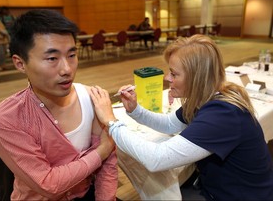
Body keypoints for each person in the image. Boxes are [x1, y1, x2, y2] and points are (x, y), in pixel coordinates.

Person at [89, 34, 273, 200]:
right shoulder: (207, 97)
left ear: (196, 78)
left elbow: (157, 159)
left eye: (174, 73)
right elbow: (170, 124)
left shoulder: (223, 115)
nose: (168, 78)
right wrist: (136, 110)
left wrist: (111, 122)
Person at [0, 9, 118, 200]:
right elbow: (48, 184)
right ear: (20, 63)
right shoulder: (6, 118)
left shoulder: (93, 98)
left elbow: (108, 166)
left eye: (72, 55)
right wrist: (102, 150)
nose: (67, 69)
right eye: (52, 58)